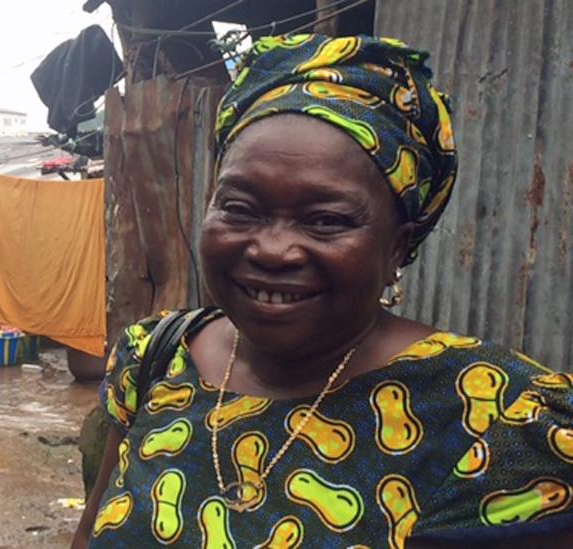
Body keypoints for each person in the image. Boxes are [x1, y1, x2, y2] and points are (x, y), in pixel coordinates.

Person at [73, 34, 573, 548]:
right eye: (240, 208)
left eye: (326, 220)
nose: (272, 249)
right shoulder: (154, 356)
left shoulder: (499, 420)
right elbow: (89, 534)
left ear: (398, 247)